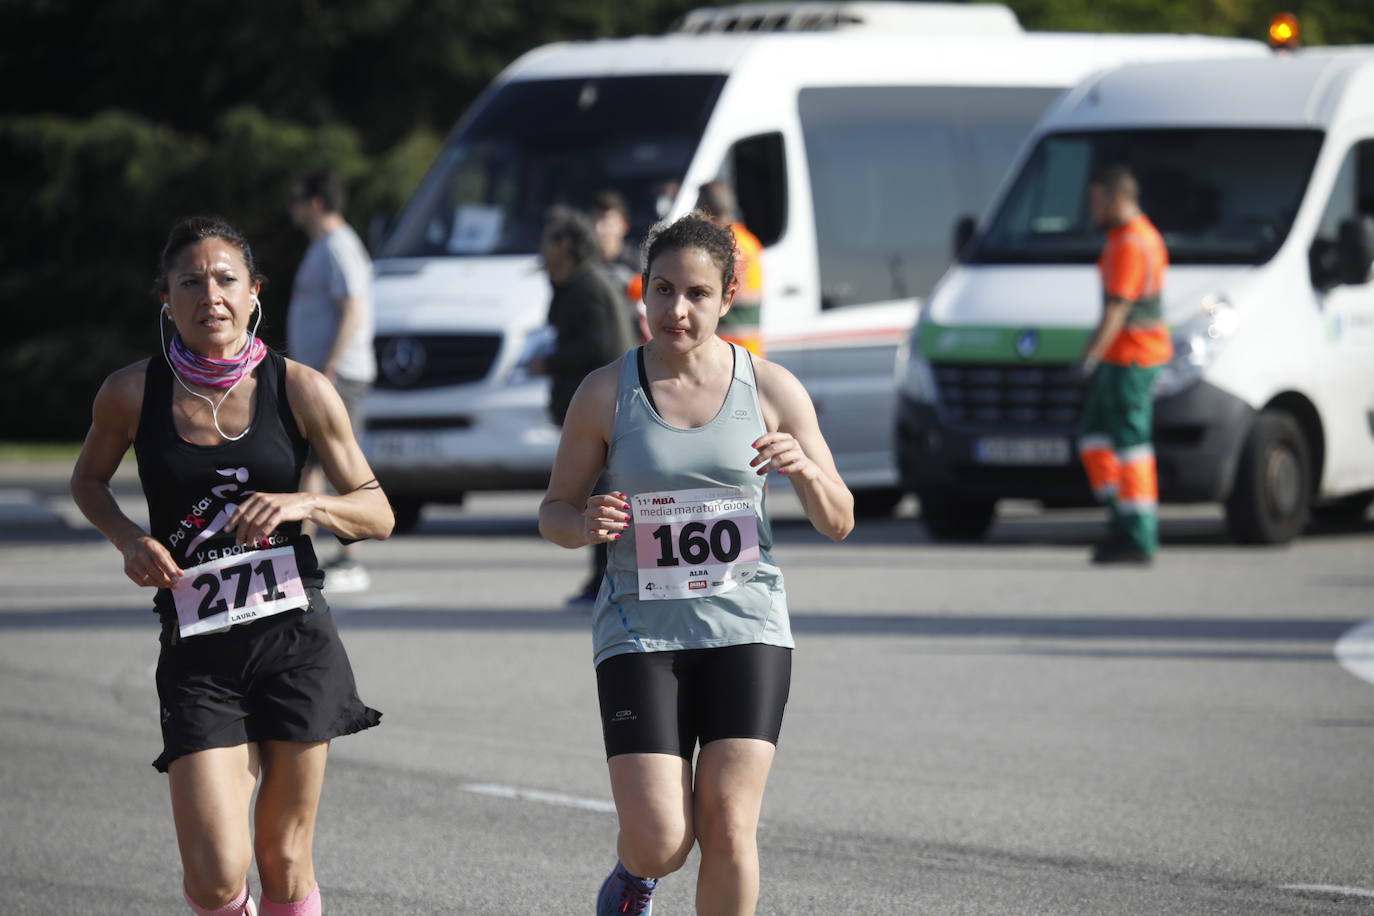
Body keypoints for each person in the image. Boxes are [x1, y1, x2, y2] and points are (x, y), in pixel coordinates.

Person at [70, 216, 394, 915]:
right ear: (166, 299)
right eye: (191, 282)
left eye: (225, 280)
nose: (209, 295)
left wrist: (304, 507)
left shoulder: (301, 388)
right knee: (218, 872)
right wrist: (128, 538)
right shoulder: (131, 393)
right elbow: (87, 482)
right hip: (200, 651)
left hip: (294, 641)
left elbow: (378, 512)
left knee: (282, 861)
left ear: (254, 294)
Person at [538, 212, 854, 915]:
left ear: (727, 296)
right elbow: (552, 511)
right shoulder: (604, 393)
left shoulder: (770, 389)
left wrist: (803, 467)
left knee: (729, 825)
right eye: (662, 290)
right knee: (660, 840)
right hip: (641, 632)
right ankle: (635, 876)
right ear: (640, 291)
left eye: (697, 294)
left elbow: (839, 519)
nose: (676, 310)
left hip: (748, 626)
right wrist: (583, 522)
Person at [540, 204, 637, 611]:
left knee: (601, 496)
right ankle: (602, 578)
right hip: (597, 413)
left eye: (547, 241)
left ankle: (604, 580)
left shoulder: (586, 286)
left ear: (564, 245)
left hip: (606, 414)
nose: (541, 250)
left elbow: (599, 347)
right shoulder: (575, 284)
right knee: (596, 495)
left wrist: (548, 361)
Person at [1075, 165, 1171, 564]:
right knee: (1096, 440)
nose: (1091, 209)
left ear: (1115, 198)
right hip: (1123, 358)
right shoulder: (1130, 238)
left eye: (1096, 200)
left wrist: (1089, 358)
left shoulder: (1132, 242)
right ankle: (1122, 521)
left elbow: (1118, 308)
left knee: (1131, 448)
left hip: (1131, 359)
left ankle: (1138, 536)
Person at [288, 169, 378, 591]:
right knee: (309, 464)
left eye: (298, 199)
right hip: (320, 375)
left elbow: (353, 309)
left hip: (336, 375)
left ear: (317, 203)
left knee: (341, 464)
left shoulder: (340, 246)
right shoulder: (323, 247)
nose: (293, 208)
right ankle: (297, 551)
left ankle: (350, 557)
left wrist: (329, 365)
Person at [695, 180, 766, 355]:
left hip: (726, 353)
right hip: (749, 350)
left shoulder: (720, 246)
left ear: (704, 208)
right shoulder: (748, 241)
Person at [590, 190, 651, 342]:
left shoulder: (640, 263)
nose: (599, 228)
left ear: (623, 226)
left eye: (606, 221)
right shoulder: (584, 265)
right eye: (594, 220)